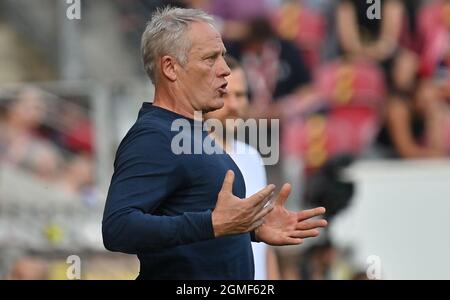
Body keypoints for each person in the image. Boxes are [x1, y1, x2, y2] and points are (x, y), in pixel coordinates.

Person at [102, 7, 327, 280]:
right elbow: (118, 228)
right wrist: (212, 224)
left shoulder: (193, 134)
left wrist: (251, 228)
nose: (225, 70)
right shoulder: (153, 135)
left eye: (222, 56)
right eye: (210, 59)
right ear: (170, 67)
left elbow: (196, 218)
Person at [205, 55, 280, 279]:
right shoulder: (189, 156)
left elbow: (265, 241)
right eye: (225, 95)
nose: (234, 105)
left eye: (240, 95)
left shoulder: (253, 157)